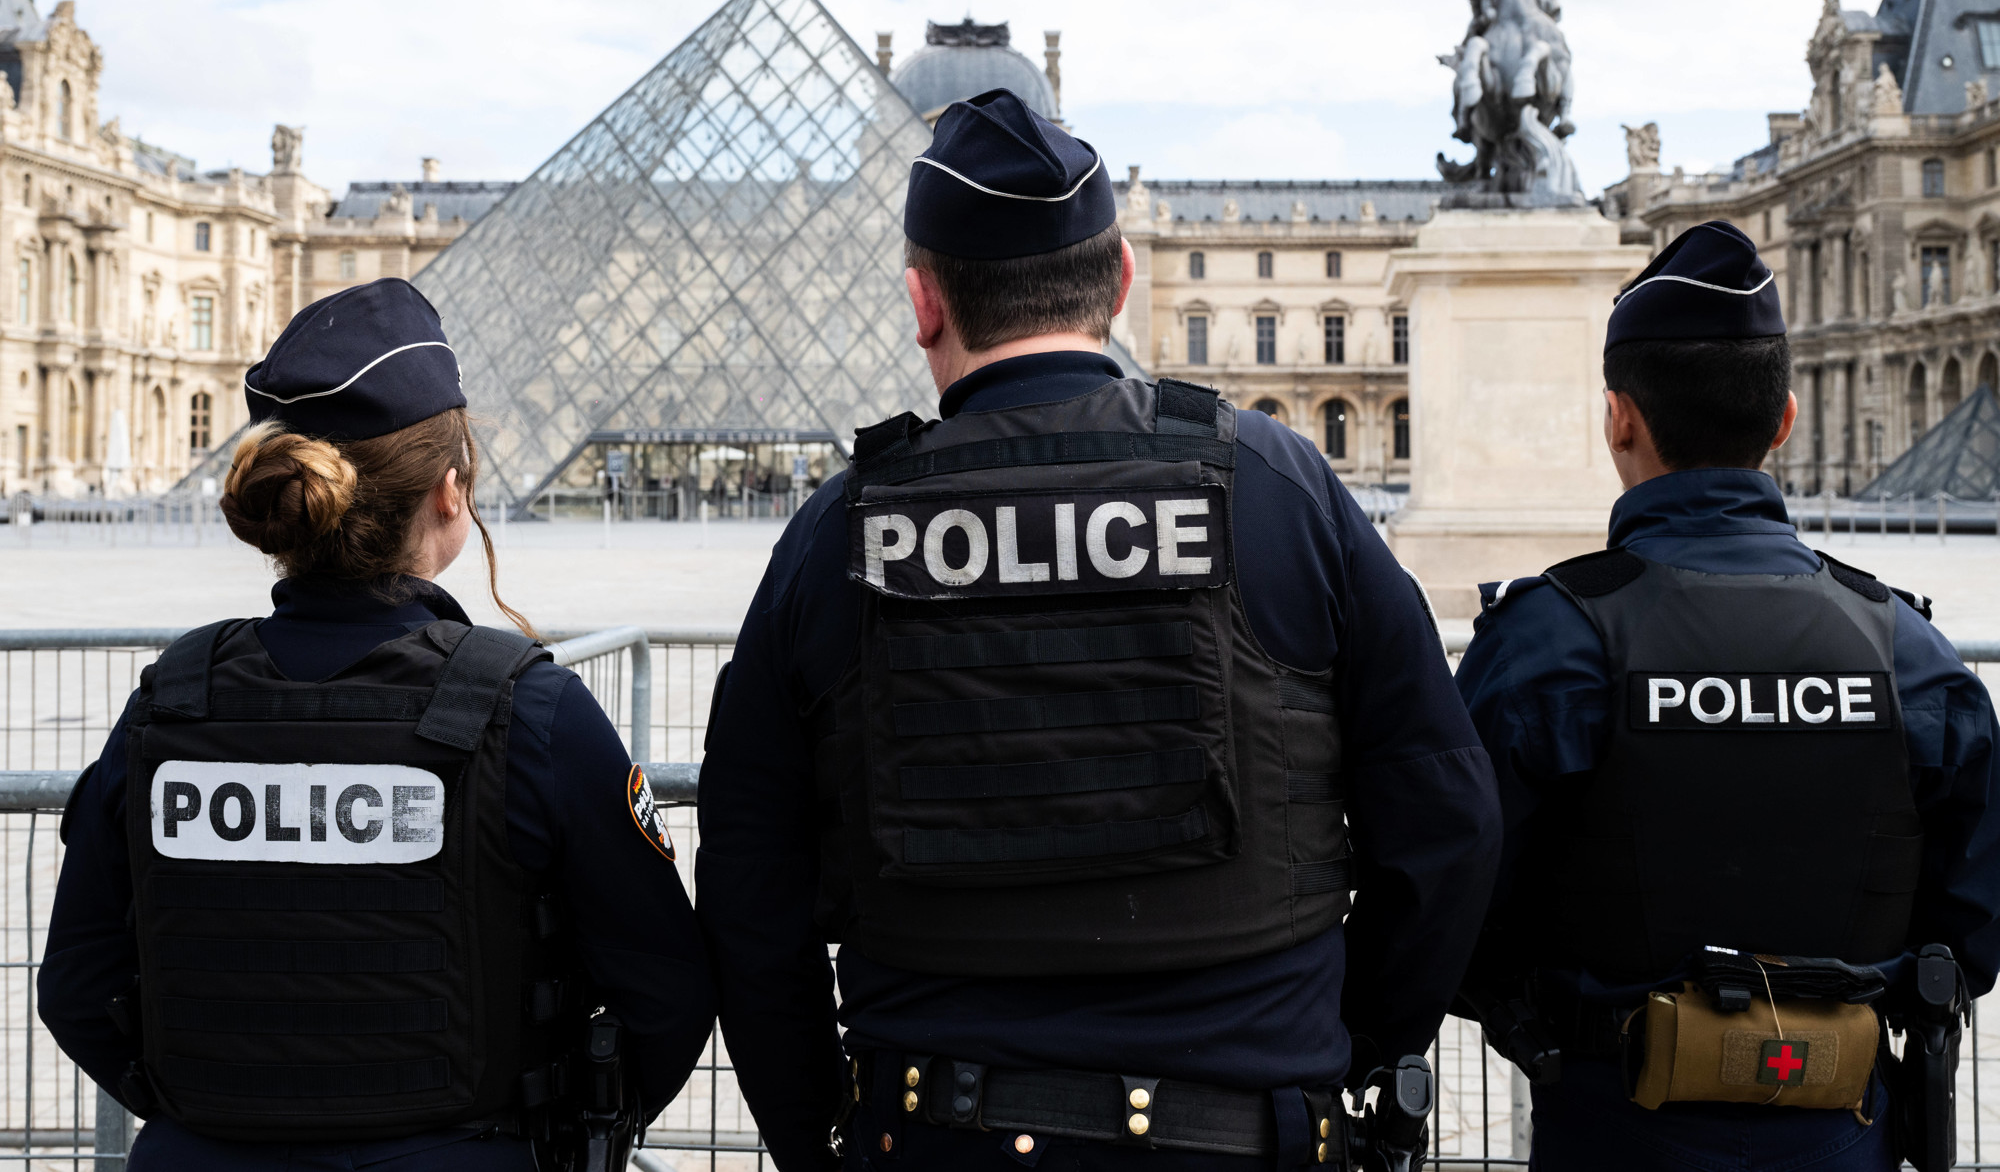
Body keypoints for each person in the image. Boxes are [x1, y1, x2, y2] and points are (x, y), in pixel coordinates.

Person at [697, 88, 1502, 1171]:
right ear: (1120, 281)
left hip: (933, 1133)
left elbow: (748, 890)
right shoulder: (1278, 486)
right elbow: (1446, 818)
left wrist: (813, 1134)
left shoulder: (835, 532)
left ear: (921, 301)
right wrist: (1340, 1041)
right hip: (1248, 1129)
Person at [39, 278, 716, 1170]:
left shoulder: (171, 702)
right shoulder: (533, 711)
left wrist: (206, 1108)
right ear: (448, 492)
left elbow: (78, 988)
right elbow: (666, 991)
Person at [1454, 220, 2000, 1171]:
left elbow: (1452, 890)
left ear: (1619, 417)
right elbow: (1977, 921)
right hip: (1841, 1125)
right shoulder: (1905, 648)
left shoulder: (1544, 643)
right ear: (1785, 418)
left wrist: (1536, 1010)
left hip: (1608, 1123)